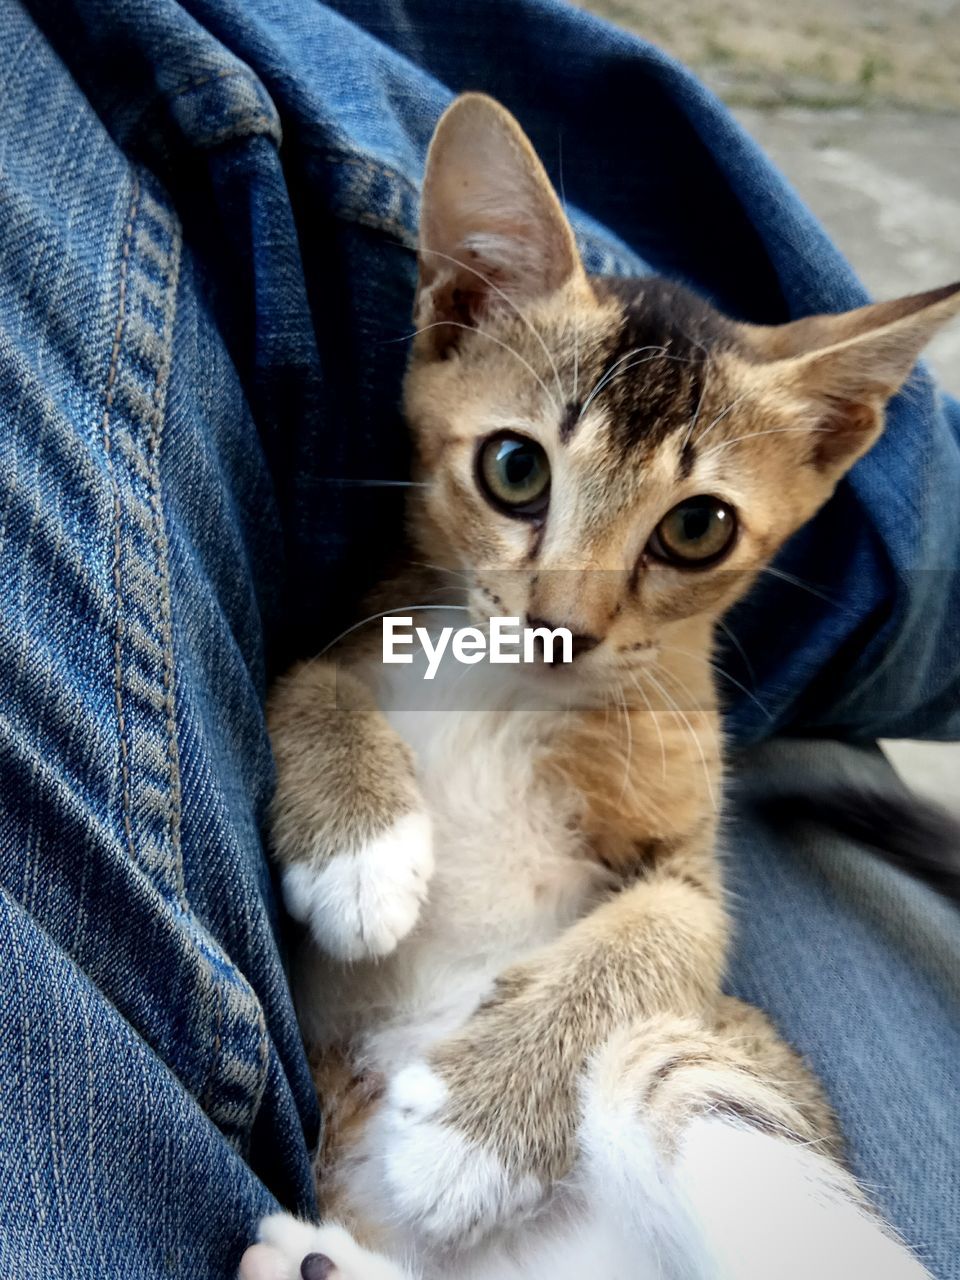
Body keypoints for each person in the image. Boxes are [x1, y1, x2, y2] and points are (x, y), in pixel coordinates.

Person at [1, 1, 958, 1276]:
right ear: (453, 321)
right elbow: (333, 684)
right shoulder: (428, 630)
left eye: (688, 535)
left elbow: (677, 897)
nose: (572, 612)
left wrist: (543, 1051)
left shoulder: (652, 695)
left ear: (829, 445)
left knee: (700, 1102)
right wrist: (336, 737)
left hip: (560, 1142)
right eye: (519, 472)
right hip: (404, 1169)